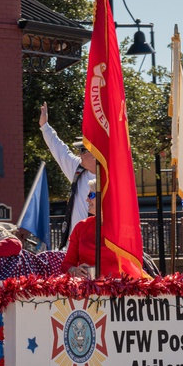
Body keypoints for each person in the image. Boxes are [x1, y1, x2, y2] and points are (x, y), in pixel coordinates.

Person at [39, 102, 97, 248]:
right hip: (75, 245)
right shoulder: (78, 169)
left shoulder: (112, 178)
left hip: (98, 245)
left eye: (83, 151)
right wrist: (45, 126)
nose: (79, 154)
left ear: (96, 155)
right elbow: (60, 150)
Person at [60, 179, 120, 278]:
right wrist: (75, 270)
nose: (87, 200)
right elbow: (66, 265)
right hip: (88, 289)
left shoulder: (124, 228)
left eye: (91, 195)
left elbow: (134, 266)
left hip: (120, 289)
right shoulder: (81, 226)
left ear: (104, 197)